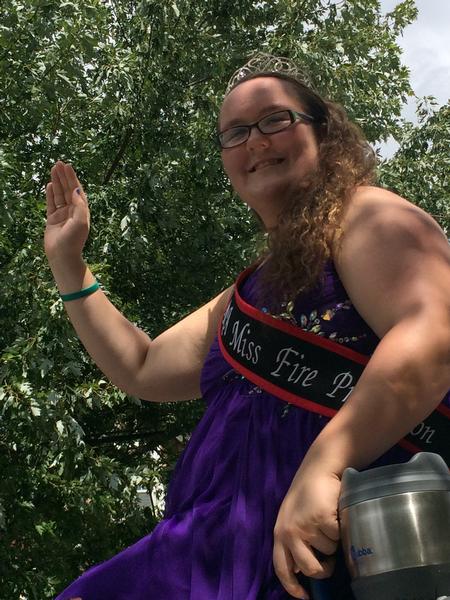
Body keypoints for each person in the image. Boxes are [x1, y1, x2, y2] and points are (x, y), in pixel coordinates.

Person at [46, 54, 450, 600]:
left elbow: (433, 337)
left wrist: (325, 470)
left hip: (327, 551)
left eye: (275, 120)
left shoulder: (370, 215)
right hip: (210, 546)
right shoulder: (246, 293)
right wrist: (70, 264)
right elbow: (141, 367)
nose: (254, 142)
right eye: (234, 132)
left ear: (324, 134)